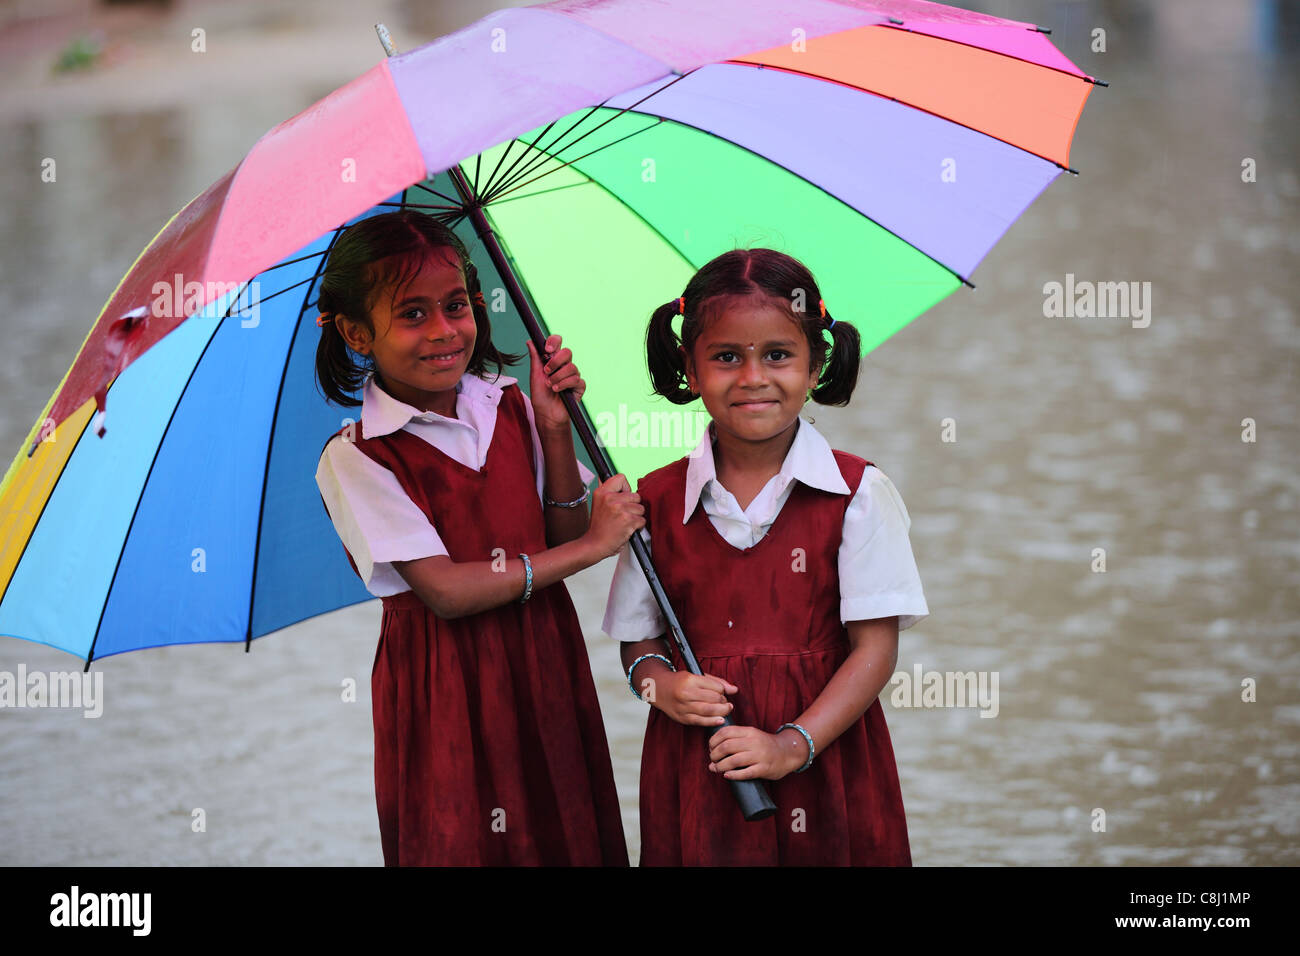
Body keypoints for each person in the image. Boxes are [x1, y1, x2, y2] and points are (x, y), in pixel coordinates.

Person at [313, 210, 641, 866]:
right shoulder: (359, 457)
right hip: (446, 686)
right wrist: (592, 548)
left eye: (455, 305)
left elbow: (560, 527)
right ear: (355, 333)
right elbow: (446, 593)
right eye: (411, 315)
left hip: (545, 657)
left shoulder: (512, 402)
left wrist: (553, 427)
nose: (442, 332)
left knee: (566, 835)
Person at [602, 248, 929, 866]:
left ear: (815, 366)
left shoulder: (857, 494)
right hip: (701, 769)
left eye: (777, 355)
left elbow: (876, 650)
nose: (753, 377)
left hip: (825, 760)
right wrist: (662, 687)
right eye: (727, 357)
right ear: (690, 370)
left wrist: (790, 746)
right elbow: (637, 645)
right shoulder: (654, 500)